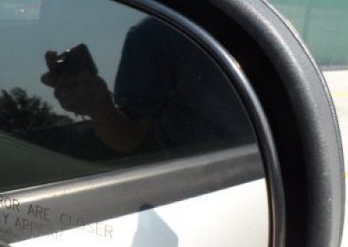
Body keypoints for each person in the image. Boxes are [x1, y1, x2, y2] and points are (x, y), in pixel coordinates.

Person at [41, 16, 253, 155]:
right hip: (198, 182)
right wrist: (98, 107)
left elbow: (127, 138)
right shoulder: (158, 35)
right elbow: (129, 136)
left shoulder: (162, 29)